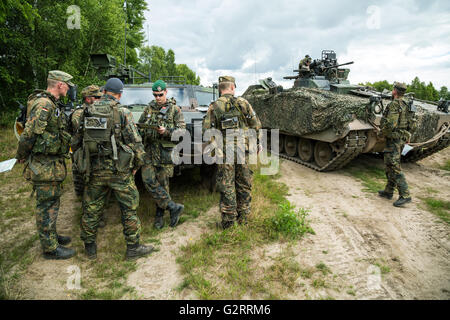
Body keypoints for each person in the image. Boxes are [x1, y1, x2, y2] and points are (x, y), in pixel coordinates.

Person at [77, 78, 154, 260]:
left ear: (103, 91)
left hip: (95, 169)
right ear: (119, 94)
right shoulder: (122, 112)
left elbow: (78, 140)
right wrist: (136, 166)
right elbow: (136, 143)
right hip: (119, 170)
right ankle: (133, 249)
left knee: (91, 208)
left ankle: (90, 248)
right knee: (129, 209)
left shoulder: (87, 111)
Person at [16, 70, 76, 260]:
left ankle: (52, 237)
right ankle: (50, 249)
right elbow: (29, 134)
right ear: (59, 84)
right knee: (46, 204)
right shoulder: (43, 105)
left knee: (52, 201)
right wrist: (21, 155)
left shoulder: (51, 103)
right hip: (44, 163)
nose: (69, 88)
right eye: (67, 85)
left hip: (51, 162)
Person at [202, 76, 262, 229]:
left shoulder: (214, 106)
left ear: (220, 89)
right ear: (232, 87)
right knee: (243, 183)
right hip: (243, 149)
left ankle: (229, 222)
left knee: (226, 185)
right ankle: (244, 218)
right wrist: (258, 143)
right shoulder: (243, 103)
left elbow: (206, 131)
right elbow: (256, 125)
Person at [138, 80, 185, 230]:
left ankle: (160, 215)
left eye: (160, 94)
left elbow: (181, 132)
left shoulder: (175, 110)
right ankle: (172, 207)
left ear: (166, 92)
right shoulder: (148, 109)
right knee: (148, 180)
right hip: (150, 152)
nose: (157, 97)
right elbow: (139, 127)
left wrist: (167, 132)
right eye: (155, 95)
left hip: (165, 153)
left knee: (163, 185)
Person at [378, 82, 416, 207]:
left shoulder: (394, 105)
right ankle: (388, 191)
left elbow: (391, 125)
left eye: (393, 89)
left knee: (394, 166)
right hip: (401, 138)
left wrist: (382, 133)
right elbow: (412, 123)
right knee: (389, 165)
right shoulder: (407, 104)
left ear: (395, 91)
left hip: (394, 139)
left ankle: (405, 195)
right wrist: (407, 134)